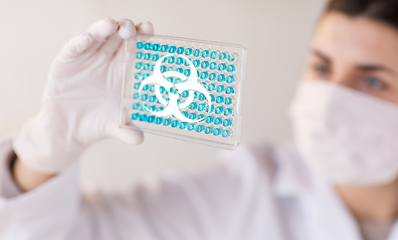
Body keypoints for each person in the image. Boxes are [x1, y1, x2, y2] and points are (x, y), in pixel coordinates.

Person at [1, 0, 398, 239]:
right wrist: (43, 152)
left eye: (373, 80)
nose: (331, 101)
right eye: (322, 68)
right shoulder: (247, 189)